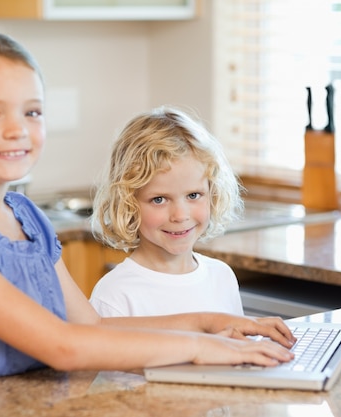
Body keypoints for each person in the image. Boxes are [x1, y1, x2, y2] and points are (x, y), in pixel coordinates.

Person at [0, 30, 295, 394]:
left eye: (31, 111)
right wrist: (201, 347)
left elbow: (91, 327)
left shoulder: (25, 216)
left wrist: (210, 323)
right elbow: (63, 345)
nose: (17, 130)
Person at [90, 107, 245, 317]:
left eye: (193, 195)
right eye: (159, 200)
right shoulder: (114, 296)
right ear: (128, 203)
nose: (180, 216)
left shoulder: (222, 277)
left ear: (213, 193)